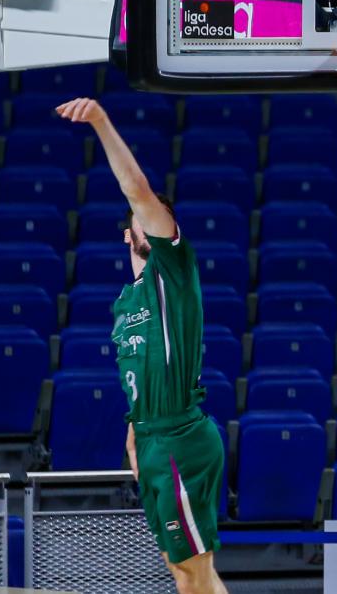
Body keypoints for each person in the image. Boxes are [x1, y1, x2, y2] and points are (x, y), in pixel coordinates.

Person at [56, 98, 228, 594]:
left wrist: (100, 122)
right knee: (187, 571)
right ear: (127, 235)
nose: (151, 221)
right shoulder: (125, 301)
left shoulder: (173, 270)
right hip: (150, 440)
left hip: (181, 437)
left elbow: (135, 188)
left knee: (191, 572)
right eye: (143, 220)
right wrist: (135, 443)